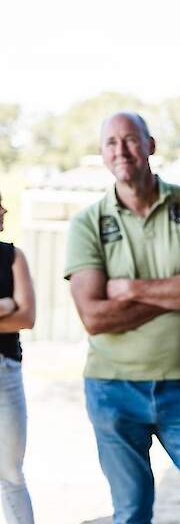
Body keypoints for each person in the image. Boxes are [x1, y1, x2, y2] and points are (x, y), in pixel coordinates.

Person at [64, 112, 180, 523]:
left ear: (151, 145)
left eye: (130, 140)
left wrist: (129, 289)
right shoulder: (87, 223)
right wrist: (177, 292)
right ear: (102, 154)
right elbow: (93, 316)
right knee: (132, 513)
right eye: (111, 143)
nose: (121, 150)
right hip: (113, 391)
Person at [0, 192, 35, 524]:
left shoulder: (12, 256)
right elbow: (14, 310)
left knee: (10, 473)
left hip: (5, 371)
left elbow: (26, 317)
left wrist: (14, 309)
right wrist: (4, 305)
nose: (4, 209)